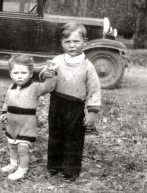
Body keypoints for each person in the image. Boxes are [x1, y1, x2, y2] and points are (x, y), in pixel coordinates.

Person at [40, 22, 101, 181]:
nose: (72, 46)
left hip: (75, 106)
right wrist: (46, 74)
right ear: (61, 43)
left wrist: (92, 112)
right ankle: (54, 165)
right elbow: (44, 74)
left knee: (73, 138)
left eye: (76, 41)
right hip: (57, 102)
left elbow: (94, 90)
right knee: (56, 134)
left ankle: (71, 169)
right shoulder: (58, 60)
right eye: (67, 42)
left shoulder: (88, 66)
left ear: (85, 42)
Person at [0, 55, 56, 181]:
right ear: (10, 74)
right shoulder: (11, 88)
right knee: (12, 147)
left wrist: (51, 74)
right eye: (16, 72)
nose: (19, 76)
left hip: (26, 127)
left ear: (30, 74)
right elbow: (6, 102)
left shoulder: (35, 87)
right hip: (12, 126)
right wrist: (3, 113)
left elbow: (48, 87)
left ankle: (22, 170)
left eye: (23, 72)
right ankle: (13, 164)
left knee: (23, 150)